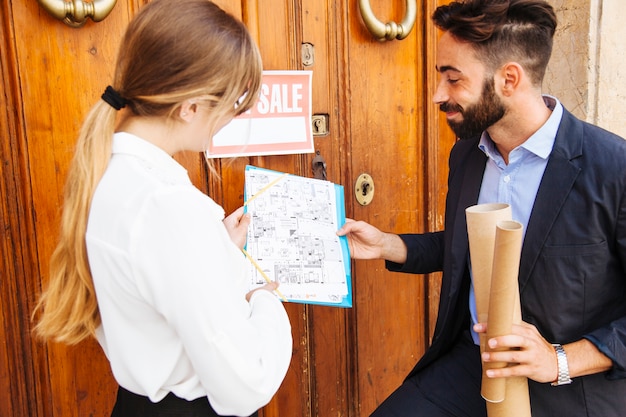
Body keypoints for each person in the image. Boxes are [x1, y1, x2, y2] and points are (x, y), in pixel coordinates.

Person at [338, 0, 626, 416]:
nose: (439, 95)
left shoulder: (612, 167)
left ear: (509, 78)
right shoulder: (468, 154)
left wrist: (559, 360)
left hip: (572, 387)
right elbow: (465, 247)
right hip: (472, 366)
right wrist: (388, 245)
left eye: (453, 80)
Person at [32, 1, 292, 416]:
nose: (233, 116)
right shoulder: (167, 207)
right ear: (190, 106)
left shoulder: (107, 173)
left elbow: (156, 284)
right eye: (233, 100)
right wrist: (263, 300)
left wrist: (215, 251)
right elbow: (247, 384)